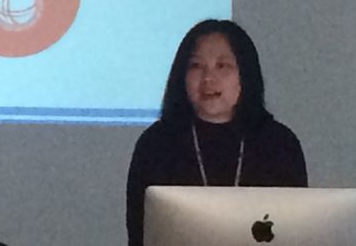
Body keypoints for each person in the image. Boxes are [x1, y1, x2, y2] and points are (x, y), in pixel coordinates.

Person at [125, 19, 307, 246]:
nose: (208, 78)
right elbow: (140, 234)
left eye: (222, 66)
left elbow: (295, 232)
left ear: (245, 75)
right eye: (196, 66)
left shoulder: (279, 144)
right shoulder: (156, 144)